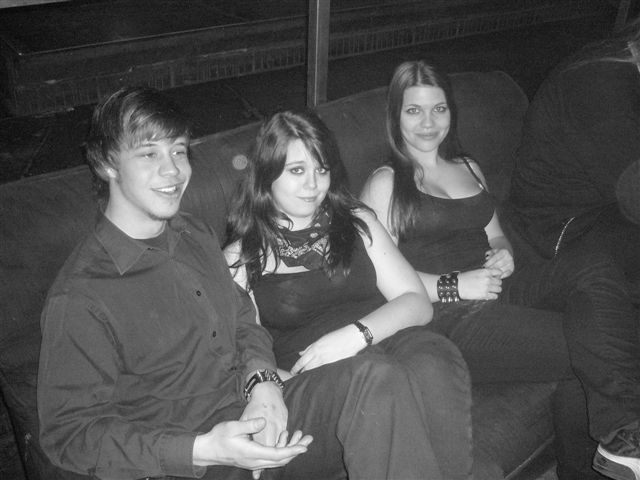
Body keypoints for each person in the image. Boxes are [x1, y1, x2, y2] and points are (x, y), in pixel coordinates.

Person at [37, 86, 444, 480]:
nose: (173, 170)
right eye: (149, 154)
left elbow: (243, 321)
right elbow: (69, 436)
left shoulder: (193, 233)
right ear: (107, 164)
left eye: (178, 150)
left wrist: (263, 383)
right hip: (196, 457)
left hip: (263, 411)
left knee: (376, 377)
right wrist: (203, 449)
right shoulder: (82, 295)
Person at [360, 60, 640, 480]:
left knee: (593, 266)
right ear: (395, 116)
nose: (428, 122)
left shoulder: (468, 168)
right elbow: (382, 282)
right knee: (587, 346)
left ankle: (621, 440)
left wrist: (503, 253)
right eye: (413, 110)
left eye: (439, 109)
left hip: (496, 289)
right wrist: (457, 285)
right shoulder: (385, 184)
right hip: (446, 317)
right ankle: (621, 440)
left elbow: (495, 235)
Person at [224, 109, 473, 480]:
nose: (313, 184)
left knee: (433, 359)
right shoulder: (240, 259)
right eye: (297, 170)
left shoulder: (356, 220)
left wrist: (354, 336)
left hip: (386, 339)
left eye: (322, 169)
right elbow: (245, 356)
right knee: (380, 376)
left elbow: (416, 301)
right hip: (319, 378)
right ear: (266, 174)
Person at [509, 16, 640, 289]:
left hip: (600, 212)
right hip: (559, 226)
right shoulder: (601, 81)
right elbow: (634, 195)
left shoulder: (623, 64)